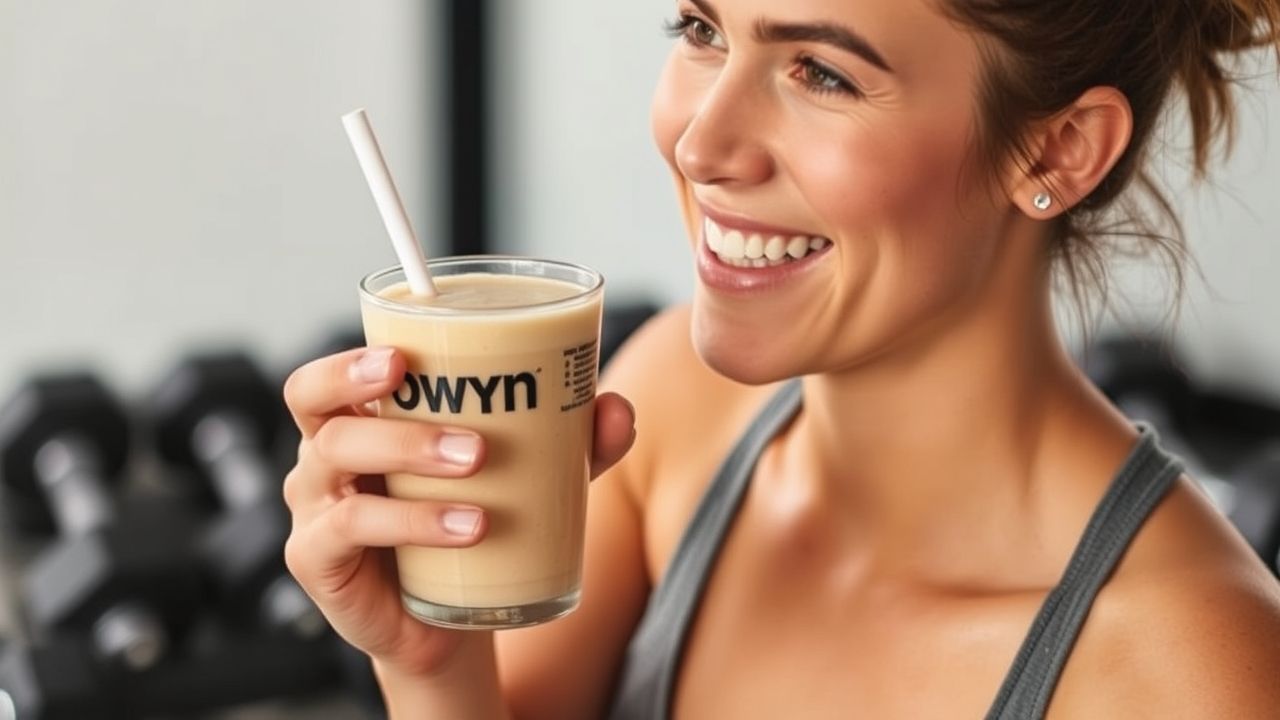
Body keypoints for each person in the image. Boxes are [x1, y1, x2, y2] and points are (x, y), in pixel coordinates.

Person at [282, 0, 1280, 717]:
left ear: (1054, 151)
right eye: (701, 29)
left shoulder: (1192, 673)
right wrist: (430, 668)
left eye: (822, 72)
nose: (700, 142)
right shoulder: (669, 411)